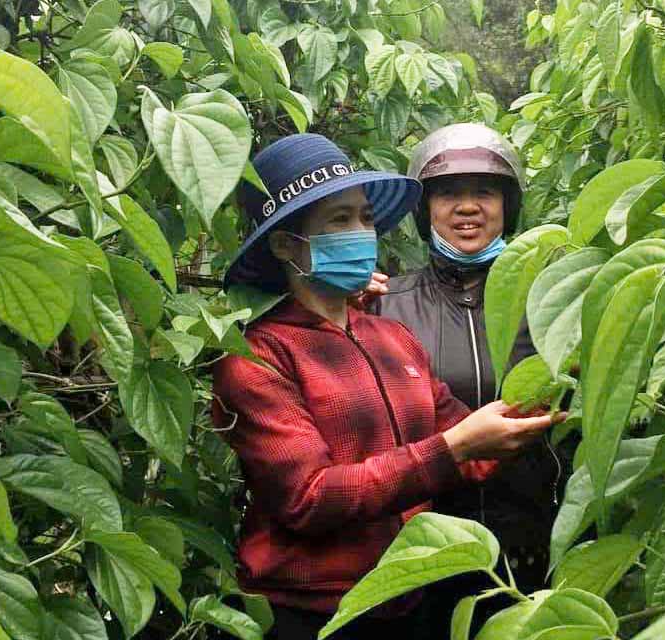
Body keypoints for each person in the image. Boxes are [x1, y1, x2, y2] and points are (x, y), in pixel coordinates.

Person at [212, 133, 565, 640]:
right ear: (287, 245)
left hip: (404, 602)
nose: (361, 232)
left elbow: (472, 442)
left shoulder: (389, 336)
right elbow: (309, 498)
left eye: (366, 217)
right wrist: (453, 447)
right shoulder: (260, 355)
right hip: (311, 612)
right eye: (339, 220)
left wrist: (560, 398)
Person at [372, 123, 568, 597]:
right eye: (447, 194)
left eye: (484, 191)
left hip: (538, 552)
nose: (466, 207)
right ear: (424, 211)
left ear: (508, 205)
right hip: (422, 566)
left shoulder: (553, 299)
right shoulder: (382, 304)